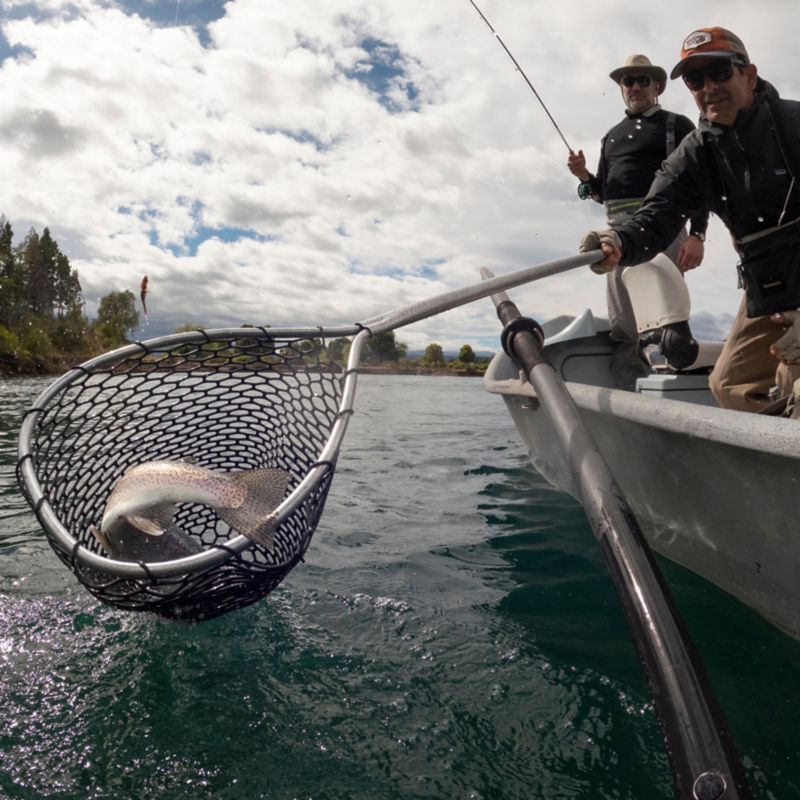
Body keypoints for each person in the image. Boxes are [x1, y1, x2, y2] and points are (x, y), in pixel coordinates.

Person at [580, 27, 800, 413]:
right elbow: (655, 216)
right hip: (767, 285)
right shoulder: (694, 153)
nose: (708, 87)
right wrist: (617, 241)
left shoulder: (794, 123)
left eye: (719, 73)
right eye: (697, 80)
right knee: (729, 385)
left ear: (748, 75)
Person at [568, 54, 708, 387]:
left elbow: (699, 183)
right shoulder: (610, 136)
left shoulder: (678, 125)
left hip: (664, 226)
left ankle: (678, 384)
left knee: (666, 314)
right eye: (627, 81)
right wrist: (583, 175)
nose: (635, 86)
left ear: (656, 86)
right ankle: (628, 391)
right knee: (623, 321)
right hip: (614, 231)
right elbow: (601, 192)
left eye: (642, 80)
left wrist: (697, 234)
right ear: (621, 88)